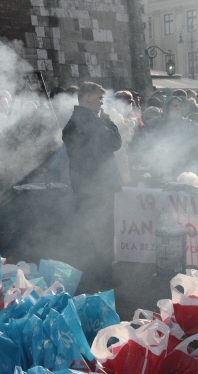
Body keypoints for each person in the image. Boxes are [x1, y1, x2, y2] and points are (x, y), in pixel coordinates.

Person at [62, 81, 122, 289]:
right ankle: (102, 278)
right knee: (102, 233)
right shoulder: (91, 122)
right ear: (88, 97)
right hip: (98, 187)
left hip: (86, 186)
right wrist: (109, 121)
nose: (101, 104)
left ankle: (90, 275)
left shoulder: (75, 121)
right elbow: (115, 143)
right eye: (99, 98)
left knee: (90, 232)